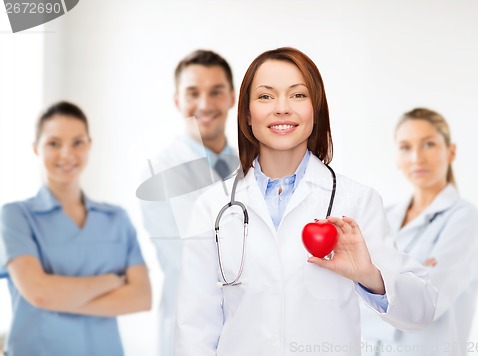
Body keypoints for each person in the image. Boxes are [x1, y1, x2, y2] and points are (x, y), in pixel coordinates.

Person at [174, 47, 438, 356]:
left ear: (316, 109)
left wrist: (369, 276)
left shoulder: (356, 201)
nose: (282, 108)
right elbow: (194, 330)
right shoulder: (213, 207)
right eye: (265, 97)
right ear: (246, 113)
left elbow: (422, 310)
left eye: (298, 95)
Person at [0, 101, 152, 356]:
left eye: (77, 142)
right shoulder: (16, 216)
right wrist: (109, 282)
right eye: (54, 143)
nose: (67, 154)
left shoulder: (116, 219)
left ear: (89, 145)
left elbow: (141, 297)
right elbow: (39, 294)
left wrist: (58, 297)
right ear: (36, 148)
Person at [137, 49, 238, 356]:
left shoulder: (252, 168)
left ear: (232, 97)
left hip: (248, 328)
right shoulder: (159, 173)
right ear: (177, 100)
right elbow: (188, 260)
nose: (205, 104)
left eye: (216, 92)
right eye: (193, 93)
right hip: (190, 330)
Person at [361, 108, 478, 356]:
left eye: (428, 144)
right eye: (405, 147)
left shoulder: (463, 218)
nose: (416, 157)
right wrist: (397, 286)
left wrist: (369, 285)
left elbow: (426, 306)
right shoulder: (384, 215)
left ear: (451, 151)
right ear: (396, 156)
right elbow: (347, 302)